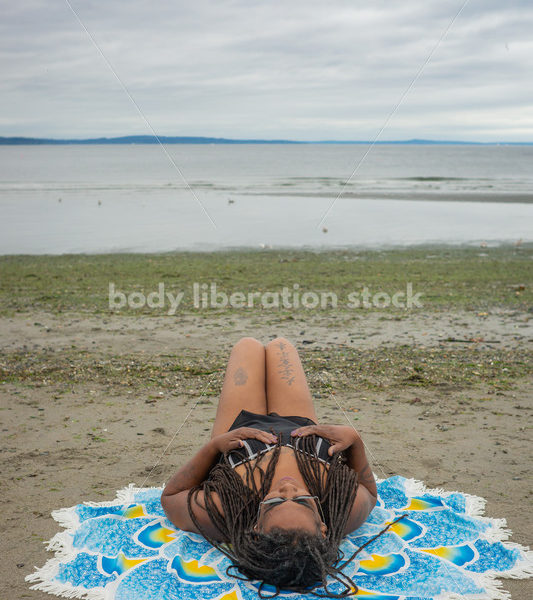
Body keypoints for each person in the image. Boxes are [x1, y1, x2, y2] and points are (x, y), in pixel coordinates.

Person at [161, 337, 386, 597]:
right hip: (300, 425)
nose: (287, 487)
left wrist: (212, 447)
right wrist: (355, 441)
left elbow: (170, 497)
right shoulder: (343, 512)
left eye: (275, 502)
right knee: (282, 346)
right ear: (323, 530)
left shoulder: (225, 513)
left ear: (256, 529)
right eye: (302, 500)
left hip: (241, 428)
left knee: (247, 346)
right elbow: (369, 492)